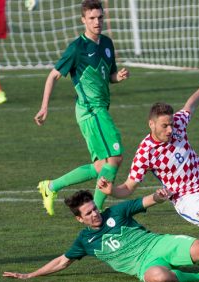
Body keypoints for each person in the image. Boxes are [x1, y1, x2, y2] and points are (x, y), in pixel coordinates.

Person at [97, 66, 199, 282]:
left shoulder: (178, 125)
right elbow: (129, 187)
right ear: (151, 124)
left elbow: (190, 106)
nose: (169, 130)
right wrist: (112, 190)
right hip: (187, 197)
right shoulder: (145, 153)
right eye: (164, 125)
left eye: (171, 124)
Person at [2, 189, 199, 282]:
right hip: (142, 267)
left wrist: (159, 196)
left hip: (158, 244)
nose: (95, 214)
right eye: (88, 213)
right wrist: (30, 276)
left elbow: (145, 201)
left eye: (95, 208)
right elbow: (62, 261)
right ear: (80, 219)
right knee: (159, 278)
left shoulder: (116, 212)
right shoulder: (84, 242)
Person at [33, 0, 129, 216]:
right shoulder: (77, 48)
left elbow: (109, 76)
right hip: (91, 111)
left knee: (102, 165)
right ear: (83, 20)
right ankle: (96, 211)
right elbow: (53, 75)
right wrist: (44, 106)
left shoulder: (106, 43)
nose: (97, 22)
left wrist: (118, 77)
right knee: (115, 158)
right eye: (92, 18)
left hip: (100, 109)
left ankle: (51, 187)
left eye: (100, 17)